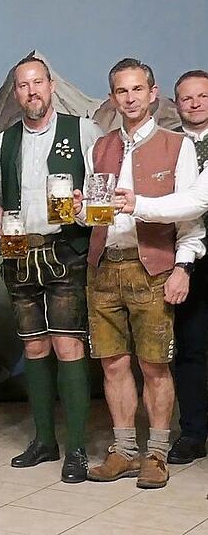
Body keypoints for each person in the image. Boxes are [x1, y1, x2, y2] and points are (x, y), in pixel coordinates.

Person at [84, 59, 205, 489]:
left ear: (153, 94)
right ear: (113, 97)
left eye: (138, 89)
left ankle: (156, 453)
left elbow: (193, 211)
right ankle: (123, 451)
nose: (130, 98)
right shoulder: (101, 147)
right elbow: (94, 213)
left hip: (152, 267)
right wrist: (81, 207)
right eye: (121, 91)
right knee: (113, 364)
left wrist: (183, 266)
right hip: (104, 268)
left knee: (155, 365)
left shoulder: (177, 145)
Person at [0, 56, 104, 483]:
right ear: (16, 92)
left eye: (37, 82)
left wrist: (83, 206)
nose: (31, 91)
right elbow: (2, 202)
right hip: (21, 255)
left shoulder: (83, 130)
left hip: (66, 250)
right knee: (34, 348)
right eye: (22, 85)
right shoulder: (4, 142)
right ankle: (44, 441)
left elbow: (99, 192)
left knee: (68, 346)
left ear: (51, 85)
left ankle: (75, 448)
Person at [114, 70, 208, 465]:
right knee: (189, 347)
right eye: (186, 98)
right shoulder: (169, 145)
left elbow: (195, 203)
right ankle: (194, 432)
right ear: (173, 101)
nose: (195, 103)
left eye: (203, 95)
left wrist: (139, 205)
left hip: (182, 248)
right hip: (184, 257)